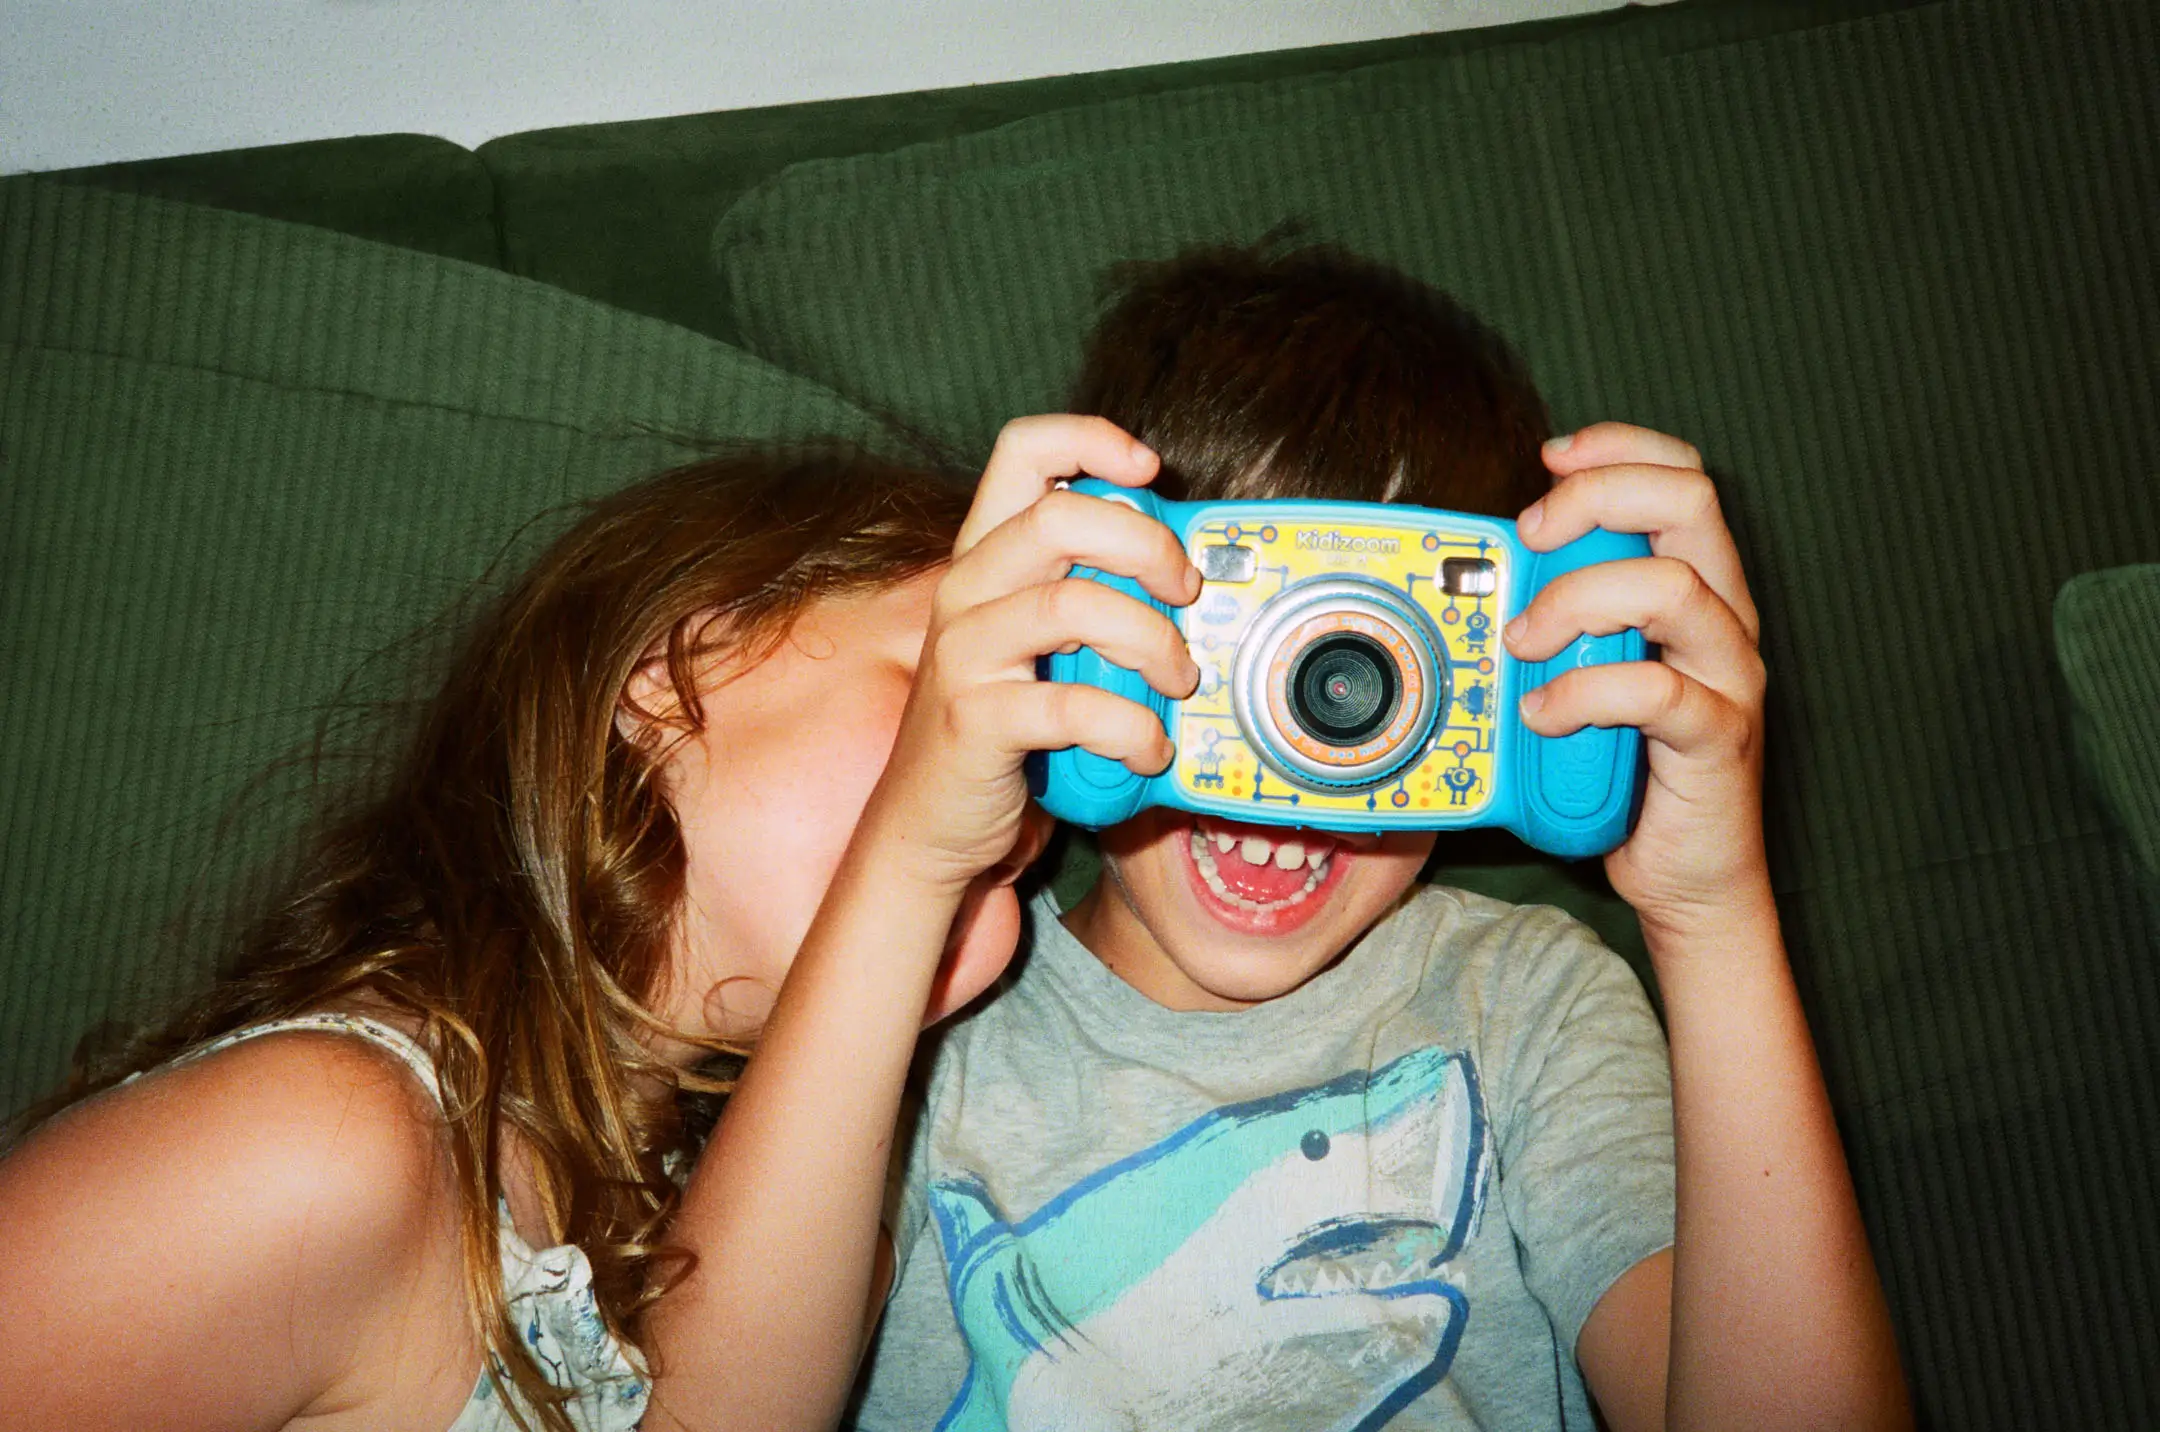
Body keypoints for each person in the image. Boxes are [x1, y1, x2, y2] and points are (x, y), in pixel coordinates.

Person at [817, 245, 1914, 1430]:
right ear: (1086, 620)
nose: (1302, 759)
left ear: (1505, 681)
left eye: (1379, 663)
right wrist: (909, 857)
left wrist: (1712, 914)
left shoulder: (1527, 1005)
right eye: (1250, 653)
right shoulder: (922, 1027)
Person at [0, 447, 1029, 1432]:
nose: (983, 804)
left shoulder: (753, 1232)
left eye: (1026, 803)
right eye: (936, 704)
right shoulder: (325, 1143)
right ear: (673, 668)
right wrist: (906, 860)